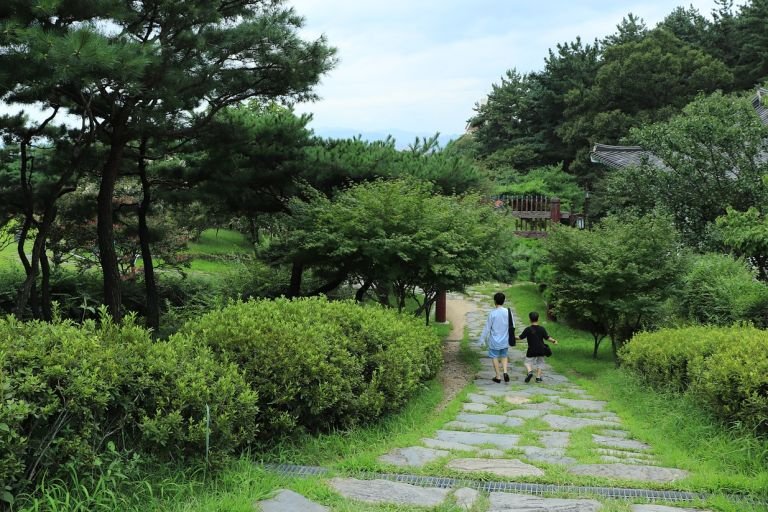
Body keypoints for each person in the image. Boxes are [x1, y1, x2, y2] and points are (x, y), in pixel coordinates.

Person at [478, 292, 512, 383]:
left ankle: (498, 376)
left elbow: (487, 328)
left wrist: (482, 339)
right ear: (504, 301)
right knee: (504, 356)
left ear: (495, 301)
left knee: (494, 356)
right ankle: (505, 372)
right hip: (505, 339)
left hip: (494, 340)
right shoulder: (508, 312)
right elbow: (512, 326)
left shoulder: (492, 313)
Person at [517, 311, 558, 383]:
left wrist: (512, 337)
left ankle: (530, 372)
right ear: (538, 319)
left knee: (527, 363)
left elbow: (520, 337)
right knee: (540, 363)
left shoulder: (528, 329)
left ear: (530, 319)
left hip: (531, 350)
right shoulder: (542, 329)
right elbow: (547, 338)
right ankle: (538, 378)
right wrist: (554, 341)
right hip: (541, 349)